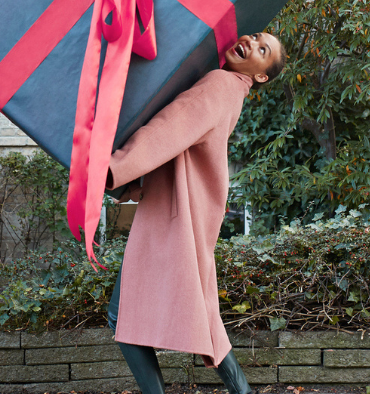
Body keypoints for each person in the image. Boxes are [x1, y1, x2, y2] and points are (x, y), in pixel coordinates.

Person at [104, 32, 286, 394]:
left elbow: (170, 128)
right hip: (190, 211)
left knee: (121, 315)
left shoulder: (219, 83)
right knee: (201, 315)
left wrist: (113, 169)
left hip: (176, 212)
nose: (250, 43)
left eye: (263, 50)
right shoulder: (234, 91)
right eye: (255, 37)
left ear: (262, 75)